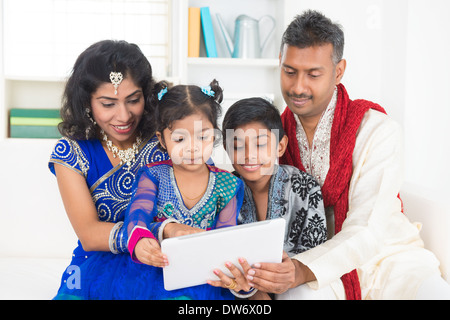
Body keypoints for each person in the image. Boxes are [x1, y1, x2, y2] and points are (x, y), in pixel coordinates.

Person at [240, 10, 450, 300]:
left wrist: (300, 269)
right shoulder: (273, 136)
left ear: (338, 71)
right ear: (280, 64)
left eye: (313, 74)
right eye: (289, 71)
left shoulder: (377, 129)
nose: (298, 87)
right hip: (316, 265)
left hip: (390, 258)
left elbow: (368, 227)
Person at [54, 79, 245, 299]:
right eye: (180, 138)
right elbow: (137, 214)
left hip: (197, 268)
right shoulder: (152, 174)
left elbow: (225, 237)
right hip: (155, 261)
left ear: (215, 135)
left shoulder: (229, 185)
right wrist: (140, 239)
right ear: (162, 140)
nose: (193, 147)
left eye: (203, 137)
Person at [49, 40, 169, 299]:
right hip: (96, 265)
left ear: (146, 97)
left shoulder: (166, 138)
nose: (124, 116)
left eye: (133, 100)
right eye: (108, 104)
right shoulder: (71, 152)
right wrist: (145, 236)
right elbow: (90, 234)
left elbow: (207, 187)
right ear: (87, 102)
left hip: (163, 260)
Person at [207, 97, 327, 299]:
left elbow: (316, 254)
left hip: (293, 286)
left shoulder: (305, 187)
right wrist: (252, 290)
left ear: (280, 146)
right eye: (237, 146)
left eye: (260, 145)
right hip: (240, 290)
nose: (249, 155)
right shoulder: (223, 191)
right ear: (227, 150)